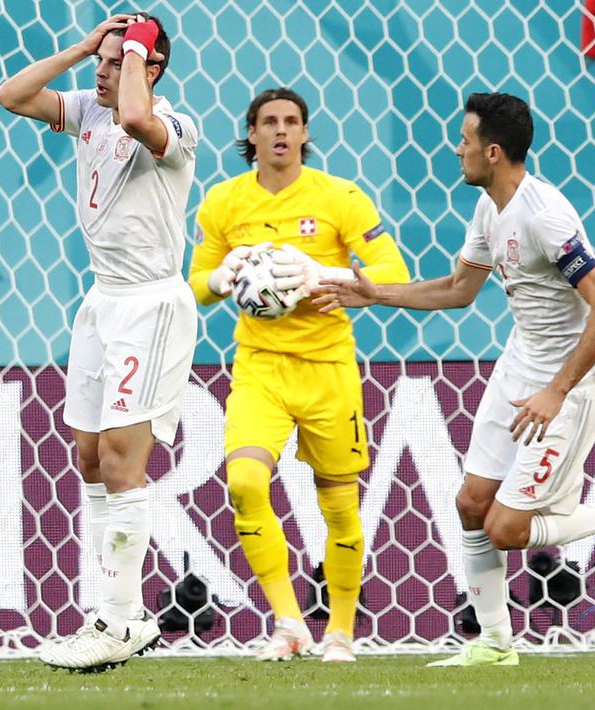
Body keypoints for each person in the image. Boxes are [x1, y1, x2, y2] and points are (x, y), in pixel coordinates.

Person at [312, 92, 595, 667]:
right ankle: (496, 643)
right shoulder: (488, 208)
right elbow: (459, 290)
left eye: (466, 140)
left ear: (494, 152)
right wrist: (374, 294)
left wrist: (557, 391)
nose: (457, 149)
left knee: (505, 528)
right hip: (517, 367)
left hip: (568, 383)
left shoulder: (544, 216)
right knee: (472, 503)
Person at [0, 13, 197, 670]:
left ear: (151, 68)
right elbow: (12, 96)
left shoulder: (175, 127)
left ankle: (117, 621)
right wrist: (84, 46)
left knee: (119, 459)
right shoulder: (87, 111)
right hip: (100, 301)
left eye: (116, 63)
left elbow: (139, 120)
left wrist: (134, 51)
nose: (101, 73)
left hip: (151, 304)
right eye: (101, 62)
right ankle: (122, 612)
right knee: (88, 458)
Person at [189, 87, 410, 663]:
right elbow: (195, 285)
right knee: (243, 485)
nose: (282, 131)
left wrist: (324, 273)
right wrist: (220, 279)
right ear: (252, 135)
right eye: (270, 122)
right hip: (259, 368)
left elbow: (391, 270)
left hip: (329, 370)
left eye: (292, 121)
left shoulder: (341, 197)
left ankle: (339, 631)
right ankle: (288, 623)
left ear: (305, 134)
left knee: (339, 506)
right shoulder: (222, 203)